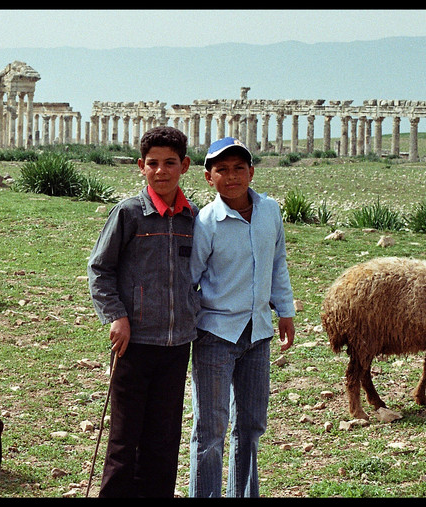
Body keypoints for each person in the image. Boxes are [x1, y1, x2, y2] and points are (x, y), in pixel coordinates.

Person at [87, 126, 199, 497]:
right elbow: (100, 269)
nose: (161, 171)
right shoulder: (129, 214)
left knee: (163, 442)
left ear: (184, 165)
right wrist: (116, 316)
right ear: (141, 166)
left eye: (170, 163)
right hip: (133, 344)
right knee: (123, 441)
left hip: (176, 345)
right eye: (153, 164)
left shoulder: (193, 219)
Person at [188, 137, 296, 497]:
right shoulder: (206, 222)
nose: (231, 177)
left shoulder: (270, 211)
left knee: (250, 426)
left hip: (258, 333)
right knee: (211, 430)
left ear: (251, 171)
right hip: (216, 335)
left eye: (239, 168)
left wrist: (285, 310)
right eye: (222, 170)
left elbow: (277, 262)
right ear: (208, 177)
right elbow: (191, 279)